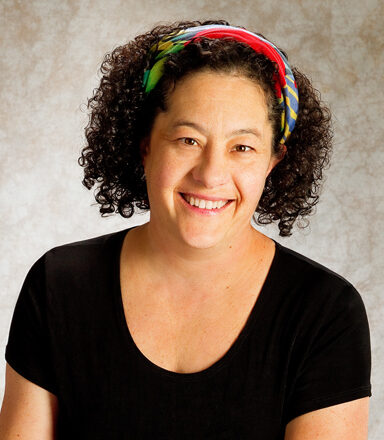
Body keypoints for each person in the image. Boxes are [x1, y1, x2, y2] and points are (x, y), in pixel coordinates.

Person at [0, 19, 372, 439]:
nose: (211, 175)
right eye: (188, 140)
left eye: (242, 148)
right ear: (145, 145)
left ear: (273, 162)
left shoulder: (325, 312)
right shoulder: (58, 284)